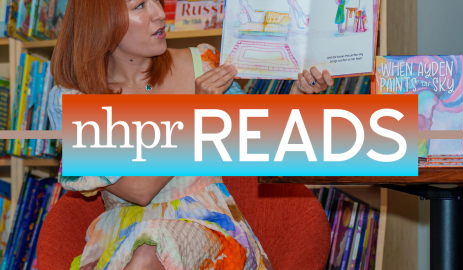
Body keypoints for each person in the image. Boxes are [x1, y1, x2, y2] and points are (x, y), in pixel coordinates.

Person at [47, 0, 334, 269]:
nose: (159, 13)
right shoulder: (71, 100)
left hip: (211, 237)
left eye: (156, 1)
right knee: (147, 245)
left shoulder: (203, 62)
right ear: (101, 24)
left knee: (151, 247)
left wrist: (302, 94)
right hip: (123, 240)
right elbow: (139, 190)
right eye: (139, 6)